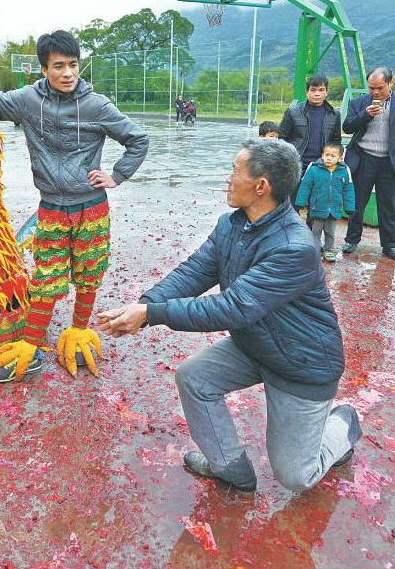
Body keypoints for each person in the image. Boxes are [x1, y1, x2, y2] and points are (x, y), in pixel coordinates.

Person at [97, 139, 361, 493]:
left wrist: (152, 313)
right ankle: (231, 468)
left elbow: (232, 307)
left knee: (296, 477)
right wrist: (144, 306)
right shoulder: (232, 225)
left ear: (260, 186)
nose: (228, 178)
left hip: (302, 364)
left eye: (235, 171)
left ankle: (341, 425)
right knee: (195, 378)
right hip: (256, 344)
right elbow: (195, 271)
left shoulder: (294, 247)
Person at [0, 30, 149, 382]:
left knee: (89, 272)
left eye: (73, 65)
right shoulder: (27, 100)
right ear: (43, 68)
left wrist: (116, 175)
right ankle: (31, 346)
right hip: (51, 207)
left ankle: (79, 332)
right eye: (59, 66)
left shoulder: (97, 105)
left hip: (92, 207)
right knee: (46, 277)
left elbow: (138, 139)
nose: (68, 73)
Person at [342, 67, 395, 258]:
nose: (375, 92)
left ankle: (389, 244)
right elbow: (347, 127)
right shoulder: (358, 102)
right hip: (364, 158)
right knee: (357, 203)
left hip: (388, 162)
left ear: (390, 83)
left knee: (388, 204)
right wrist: (365, 115)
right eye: (371, 87)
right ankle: (351, 240)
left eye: (380, 87)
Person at [295, 142, 356, 262]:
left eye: (333, 156)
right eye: (326, 155)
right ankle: (315, 249)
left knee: (330, 233)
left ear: (340, 158)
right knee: (315, 231)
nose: (329, 158)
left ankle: (329, 250)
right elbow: (305, 186)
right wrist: (300, 202)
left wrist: (349, 206)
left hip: (334, 209)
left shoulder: (344, 171)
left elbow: (348, 189)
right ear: (322, 155)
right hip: (317, 207)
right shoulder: (314, 169)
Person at [279, 73, 342, 183]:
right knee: (294, 198)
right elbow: (282, 139)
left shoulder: (334, 114)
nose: (317, 94)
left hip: (321, 165)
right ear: (307, 92)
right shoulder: (293, 112)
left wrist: (330, 160)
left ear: (326, 92)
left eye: (321, 90)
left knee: (317, 199)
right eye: (313, 90)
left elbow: (336, 141)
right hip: (295, 164)